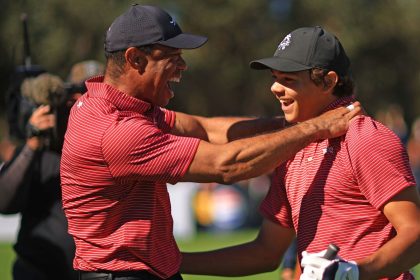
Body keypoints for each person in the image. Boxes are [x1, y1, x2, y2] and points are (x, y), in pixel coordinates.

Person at [60, 6, 360, 280]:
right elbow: (227, 165)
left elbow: (207, 128)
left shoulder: (126, 108)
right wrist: (316, 127)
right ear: (135, 59)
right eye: (172, 56)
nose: (183, 65)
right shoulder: (117, 131)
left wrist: (286, 124)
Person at [180, 26, 420, 280]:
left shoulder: (365, 137)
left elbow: (415, 233)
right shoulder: (293, 146)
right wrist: (171, 261)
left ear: (328, 81)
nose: (274, 88)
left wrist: (356, 272)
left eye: (288, 79)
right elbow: (265, 252)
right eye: (274, 77)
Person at [0, 61, 103, 280]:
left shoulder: (114, 145)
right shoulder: (40, 145)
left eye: (92, 95)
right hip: (38, 270)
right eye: (74, 98)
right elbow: (4, 203)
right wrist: (32, 143)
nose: (81, 105)